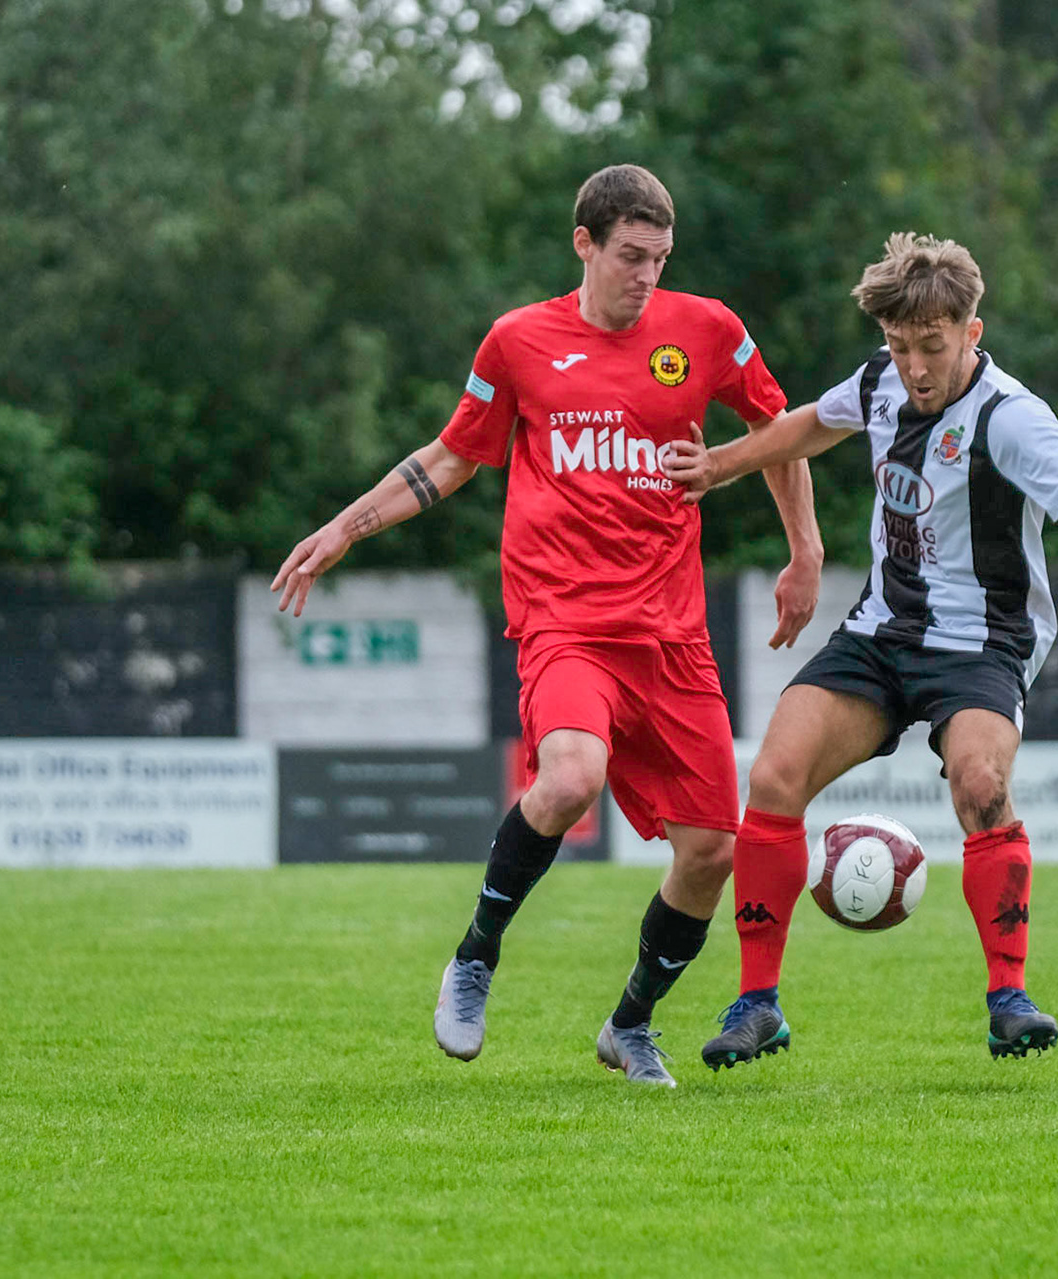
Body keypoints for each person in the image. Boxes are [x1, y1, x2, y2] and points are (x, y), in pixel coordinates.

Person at [272, 164, 822, 1088]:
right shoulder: (519, 341)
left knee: (712, 850)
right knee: (570, 778)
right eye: (630, 255)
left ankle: (629, 1024)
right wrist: (345, 529)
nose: (647, 275)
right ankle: (476, 954)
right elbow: (453, 457)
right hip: (565, 621)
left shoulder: (707, 330)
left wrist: (805, 551)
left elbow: (781, 431)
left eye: (660, 258)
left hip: (672, 636)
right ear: (584, 244)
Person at [660, 231, 1058, 1069]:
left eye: (932, 346)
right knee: (772, 777)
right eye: (899, 345)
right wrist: (719, 465)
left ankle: (1008, 998)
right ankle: (757, 1003)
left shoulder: (1010, 418)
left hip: (981, 643)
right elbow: (810, 426)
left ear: (971, 332)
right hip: (882, 632)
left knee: (981, 784)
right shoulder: (879, 380)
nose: (915, 367)